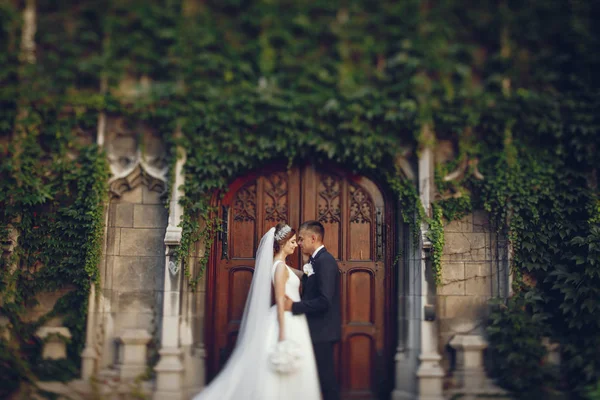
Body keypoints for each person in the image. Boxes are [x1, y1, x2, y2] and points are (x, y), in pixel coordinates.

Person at [193, 222, 320, 400]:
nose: (295, 245)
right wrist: (282, 332)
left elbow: (299, 274)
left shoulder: (280, 265)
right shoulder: (280, 267)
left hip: (293, 317)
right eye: (292, 242)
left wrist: (310, 265)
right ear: (282, 244)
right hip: (286, 318)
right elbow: (279, 298)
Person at [285, 220, 342, 400]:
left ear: (313, 238)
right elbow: (311, 283)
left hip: (322, 332)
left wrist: (294, 306)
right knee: (314, 379)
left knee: (326, 380)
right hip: (314, 330)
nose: (299, 243)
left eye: (301, 239)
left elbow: (325, 300)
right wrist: (283, 267)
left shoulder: (325, 261)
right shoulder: (316, 260)